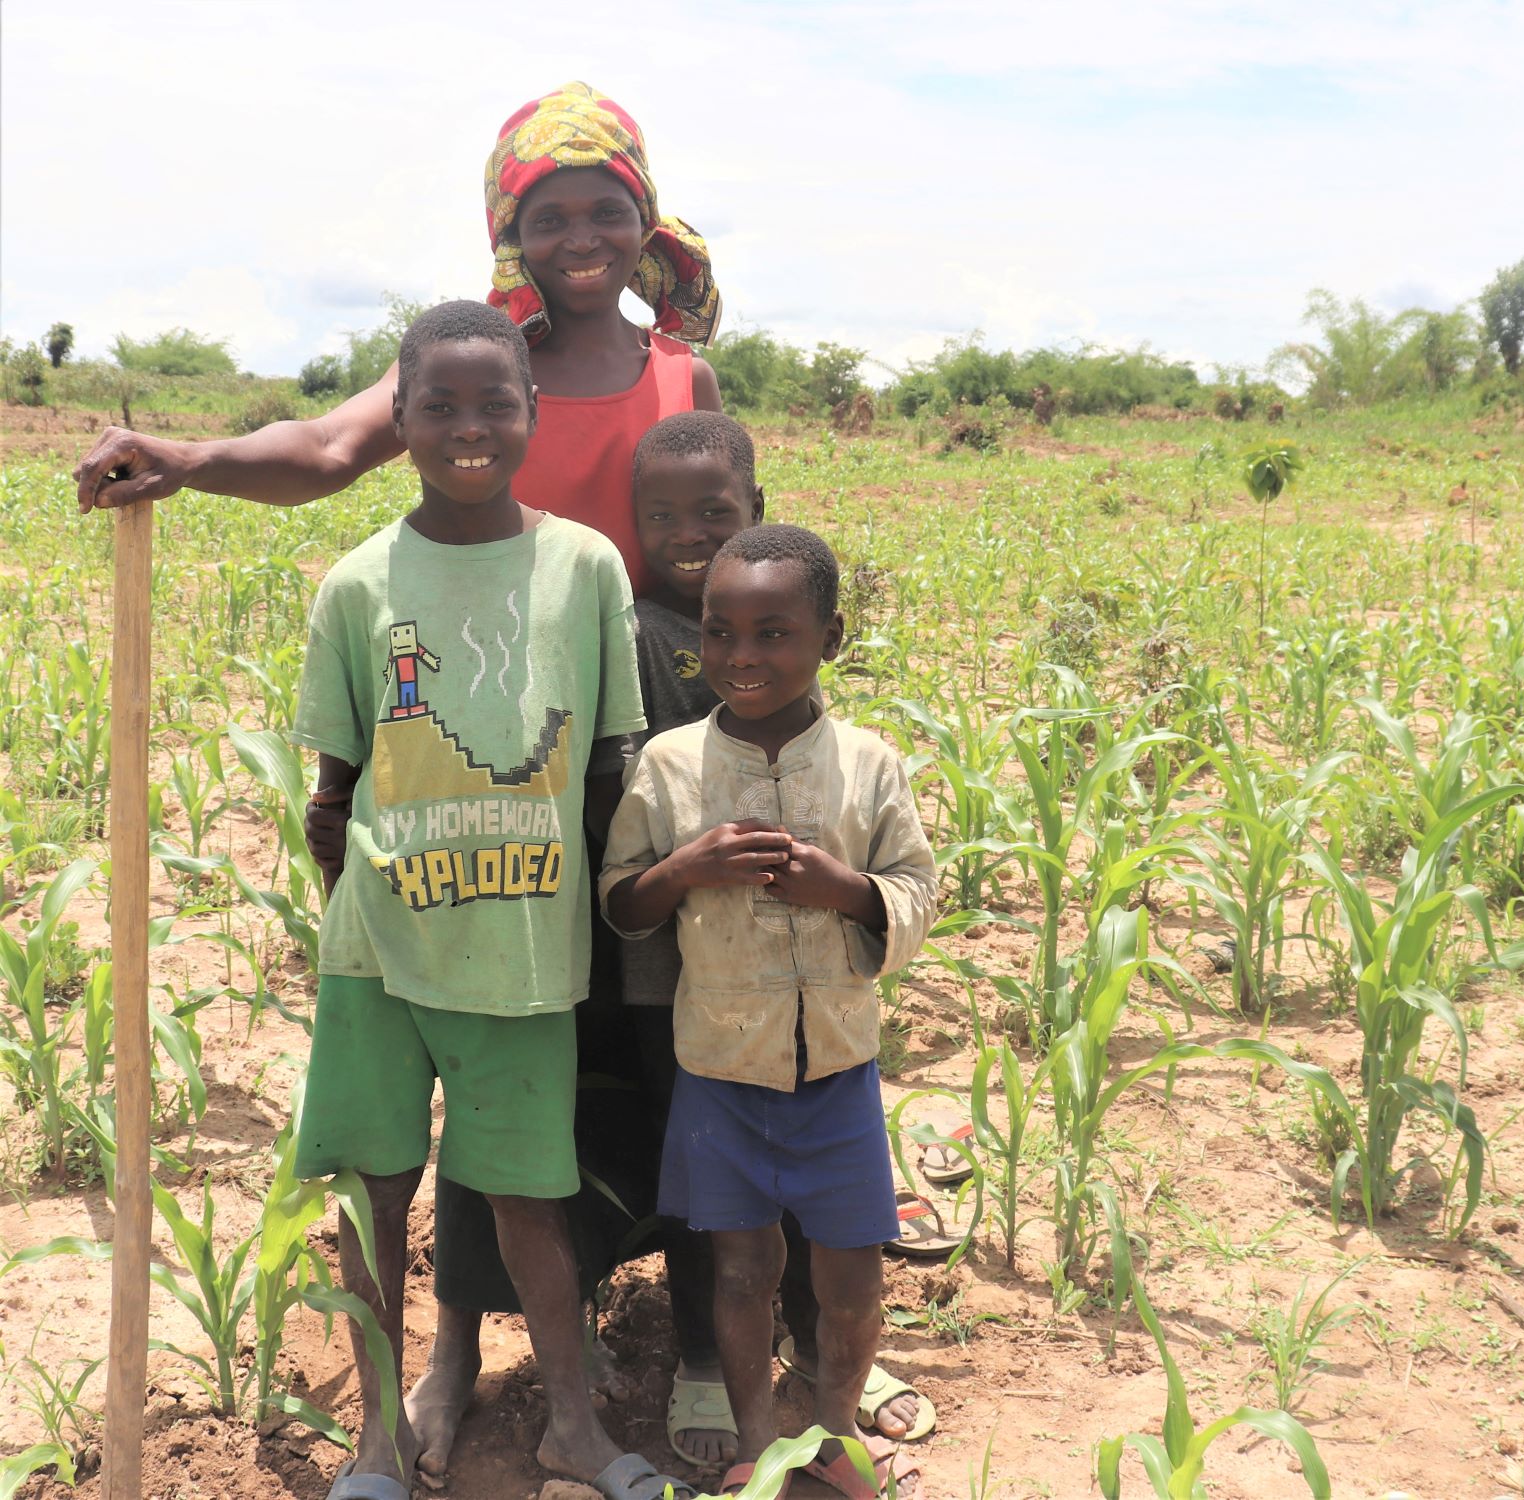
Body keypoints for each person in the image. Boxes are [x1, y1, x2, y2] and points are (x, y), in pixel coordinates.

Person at [75, 80, 935, 1480]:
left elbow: (728, 528)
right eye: (550, 214)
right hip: (508, 779)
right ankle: (462, 1352)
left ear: (646, 223)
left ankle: (767, 1324)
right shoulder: (487, 359)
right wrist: (185, 459)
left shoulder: (678, 370)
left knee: (693, 1038)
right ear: (508, 230)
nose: (580, 235)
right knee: (509, 1044)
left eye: (607, 210)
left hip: (644, 749)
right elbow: (328, 450)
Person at [289, 300, 688, 1500]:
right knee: (377, 1206)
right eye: (440, 404)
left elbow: (612, 771)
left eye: (494, 402)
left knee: (530, 1202)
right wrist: (380, 898)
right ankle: (374, 1446)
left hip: (522, 959)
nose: (469, 426)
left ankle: (572, 1425)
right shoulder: (359, 588)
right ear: (399, 417)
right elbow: (332, 794)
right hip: (381, 962)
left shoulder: (584, 567)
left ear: (533, 413)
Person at [601, 525, 937, 1500]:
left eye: (773, 634)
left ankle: (834, 1434)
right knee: (740, 1268)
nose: (742, 658)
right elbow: (620, 899)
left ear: (829, 638)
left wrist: (852, 892)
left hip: (836, 1068)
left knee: (850, 1280)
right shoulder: (668, 766)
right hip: (718, 1068)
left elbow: (916, 882)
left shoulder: (869, 765)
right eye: (721, 634)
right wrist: (683, 870)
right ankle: (758, 1441)